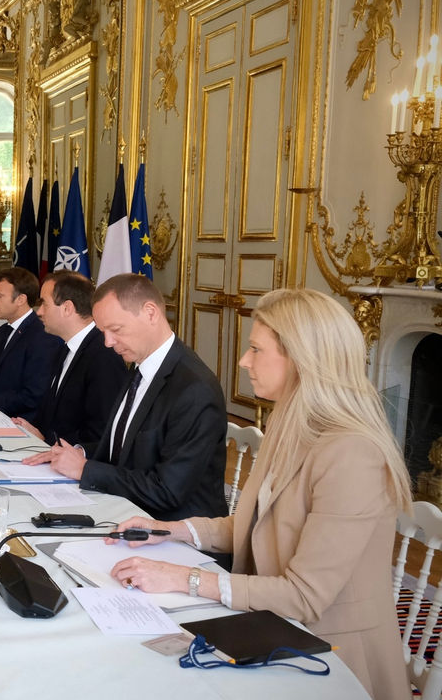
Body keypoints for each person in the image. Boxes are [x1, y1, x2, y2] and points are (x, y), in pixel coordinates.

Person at [107, 288, 411, 700]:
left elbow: (304, 597)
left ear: (302, 359)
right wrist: (168, 529)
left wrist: (184, 577)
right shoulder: (291, 424)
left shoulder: (352, 453)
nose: (242, 360)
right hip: (273, 629)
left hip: (331, 658)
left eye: (255, 349)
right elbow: (254, 527)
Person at [26, 274, 227, 521]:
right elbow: (123, 447)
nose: (108, 343)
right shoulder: (141, 365)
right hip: (125, 510)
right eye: (103, 332)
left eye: (116, 330)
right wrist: (76, 452)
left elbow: (168, 490)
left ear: (150, 313)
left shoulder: (194, 389)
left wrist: (86, 470)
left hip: (174, 531)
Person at [15, 270, 128, 446]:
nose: (39, 311)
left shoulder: (103, 355)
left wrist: (49, 441)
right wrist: (34, 430)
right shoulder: (66, 347)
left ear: (67, 308)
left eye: (44, 304)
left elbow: (102, 430)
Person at [0, 267, 60, 420]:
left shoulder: (43, 335)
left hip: (18, 422)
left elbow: (34, 395)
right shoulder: (3, 331)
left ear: (21, 299)